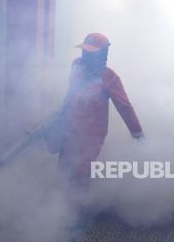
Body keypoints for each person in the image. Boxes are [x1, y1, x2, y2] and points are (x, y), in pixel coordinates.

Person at [56, 32, 144, 225]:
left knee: (80, 170)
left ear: (103, 54)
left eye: (92, 53)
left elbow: (124, 106)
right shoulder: (76, 65)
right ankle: (63, 206)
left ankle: (75, 217)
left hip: (91, 133)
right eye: (85, 52)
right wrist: (59, 119)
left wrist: (137, 133)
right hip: (70, 126)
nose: (86, 57)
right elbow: (70, 94)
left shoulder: (109, 77)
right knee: (64, 166)